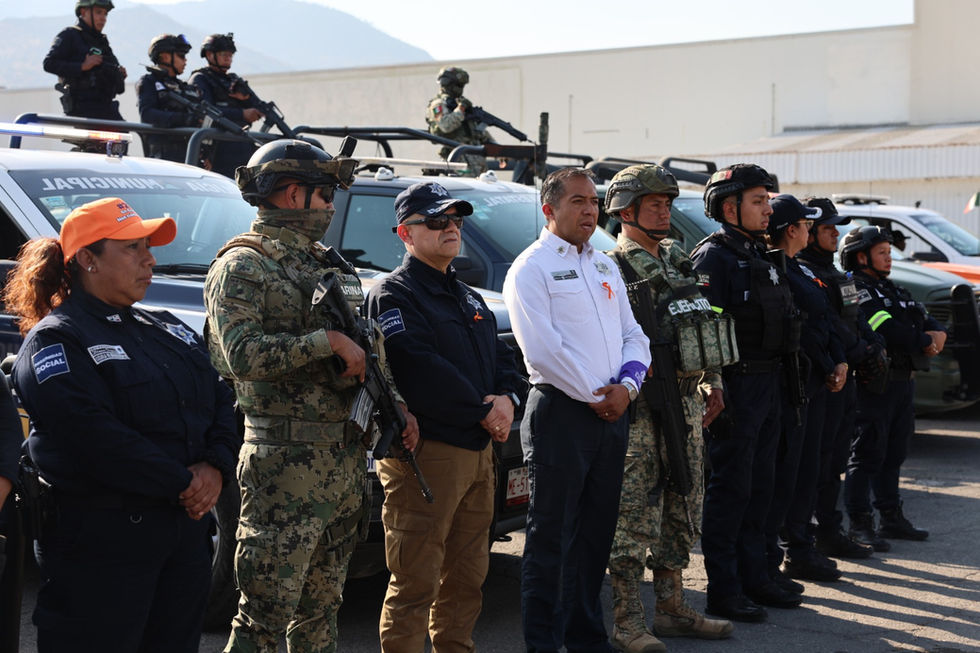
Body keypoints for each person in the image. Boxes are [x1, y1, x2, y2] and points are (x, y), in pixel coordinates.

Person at [205, 139, 417, 653]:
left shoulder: (329, 265)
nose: (330, 206)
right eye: (325, 194)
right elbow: (239, 356)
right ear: (292, 193)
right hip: (285, 463)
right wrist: (324, 343)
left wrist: (397, 405)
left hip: (343, 459)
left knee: (322, 610)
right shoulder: (243, 266)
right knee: (264, 615)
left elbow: (370, 345)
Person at [4, 197, 237, 653]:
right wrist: (185, 482)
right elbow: (92, 436)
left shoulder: (166, 327)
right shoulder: (57, 339)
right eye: (132, 248)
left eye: (147, 247)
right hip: (101, 545)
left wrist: (214, 466)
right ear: (87, 259)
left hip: (181, 536)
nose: (149, 259)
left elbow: (222, 399)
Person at [365, 181, 525, 652]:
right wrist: (484, 409)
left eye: (456, 220)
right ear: (405, 233)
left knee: (468, 577)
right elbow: (418, 366)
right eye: (437, 221)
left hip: (478, 453)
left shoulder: (469, 295)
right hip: (428, 455)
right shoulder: (394, 294)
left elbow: (504, 362)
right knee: (416, 582)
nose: (451, 228)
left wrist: (508, 400)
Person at [503, 167, 651, 652]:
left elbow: (635, 335)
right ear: (549, 209)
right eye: (578, 202)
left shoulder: (605, 265)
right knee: (550, 539)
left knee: (595, 536)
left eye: (594, 202)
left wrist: (626, 388)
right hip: (563, 413)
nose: (590, 210)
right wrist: (599, 396)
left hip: (612, 411)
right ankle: (543, 643)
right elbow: (544, 351)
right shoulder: (531, 268)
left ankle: (585, 637)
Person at [603, 164, 734, 652]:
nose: (664, 210)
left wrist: (713, 381)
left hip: (686, 404)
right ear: (626, 210)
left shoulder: (680, 261)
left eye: (666, 202)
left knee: (683, 506)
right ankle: (627, 621)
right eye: (653, 202)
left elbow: (703, 324)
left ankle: (673, 608)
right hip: (642, 412)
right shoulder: (611, 267)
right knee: (633, 518)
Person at [690, 164, 803, 622]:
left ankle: (756, 574)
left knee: (762, 486)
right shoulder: (713, 258)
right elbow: (701, 330)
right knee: (731, 489)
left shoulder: (760, 254)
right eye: (758, 201)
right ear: (728, 207)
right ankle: (724, 588)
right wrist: (715, 388)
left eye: (767, 200)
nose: (767, 209)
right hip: (736, 386)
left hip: (771, 383)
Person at [840, 226, 946, 550]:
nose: (889, 257)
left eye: (889, 251)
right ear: (861, 256)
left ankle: (891, 517)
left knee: (894, 453)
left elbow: (923, 316)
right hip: (875, 384)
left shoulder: (893, 288)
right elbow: (883, 326)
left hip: (904, 383)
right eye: (882, 252)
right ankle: (859, 523)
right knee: (868, 452)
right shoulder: (858, 289)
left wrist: (937, 333)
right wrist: (923, 340)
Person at [762, 195, 847, 587]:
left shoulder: (796, 267)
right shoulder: (778, 269)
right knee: (789, 473)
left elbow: (827, 321)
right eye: (805, 224)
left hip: (816, 380)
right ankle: (792, 547)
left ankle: (800, 544)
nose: (810, 230)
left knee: (809, 468)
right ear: (790, 230)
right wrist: (831, 364)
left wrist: (840, 361)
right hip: (796, 383)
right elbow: (803, 331)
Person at [797, 198, 877, 561]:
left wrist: (871, 347)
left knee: (835, 461)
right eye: (828, 227)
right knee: (816, 461)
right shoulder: (803, 272)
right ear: (809, 232)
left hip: (845, 376)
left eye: (836, 227)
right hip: (825, 379)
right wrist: (855, 353)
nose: (836, 234)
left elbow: (855, 318)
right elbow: (824, 328)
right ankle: (811, 534)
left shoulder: (836, 274)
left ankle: (830, 530)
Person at [189, 33, 263, 178]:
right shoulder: (200, 79)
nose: (228, 58)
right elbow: (207, 113)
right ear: (209, 55)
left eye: (230, 55)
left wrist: (245, 98)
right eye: (224, 54)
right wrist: (241, 114)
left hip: (242, 145)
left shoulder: (234, 80)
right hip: (217, 148)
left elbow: (259, 108)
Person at [43, 0, 127, 121]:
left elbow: (111, 66)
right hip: (82, 109)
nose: (103, 18)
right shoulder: (69, 35)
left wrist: (118, 75)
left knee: (124, 136)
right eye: (99, 12)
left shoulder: (101, 41)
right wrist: (82, 66)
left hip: (105, 106)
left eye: (105, 14)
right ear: (83, 12)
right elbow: (49, 64)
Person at [137, 34, 202, 163]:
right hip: (163, 155)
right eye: (181, 56)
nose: (185, 61)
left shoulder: (183, 87)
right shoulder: (149, 82)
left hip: (187, 153)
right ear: (165, 56)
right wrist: (186, 119)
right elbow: (147, 114)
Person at [426, 66, 494, 175]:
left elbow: (478, 133)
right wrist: (461, 109)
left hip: (478, 164)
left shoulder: (458, 103)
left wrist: (498, 149)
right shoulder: (438, 104)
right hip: (458, 163)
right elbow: (445, 125)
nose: (461, 89)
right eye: (458, 85)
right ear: (448, 84)